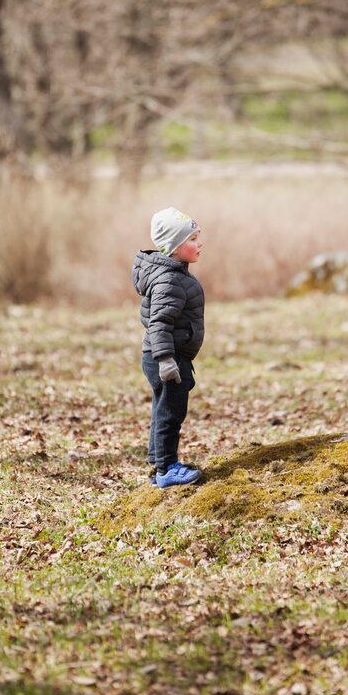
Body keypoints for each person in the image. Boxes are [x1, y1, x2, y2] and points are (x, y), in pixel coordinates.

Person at [132, 207, 205, 489]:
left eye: (198, 237)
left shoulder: (173, 274)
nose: (200, 244)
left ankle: (157, 464)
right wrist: (165, 360)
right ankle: (167, 469)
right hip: (166, 357)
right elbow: (159, 323)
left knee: (162, 409)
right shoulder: (170, 280)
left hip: (166, 355)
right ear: (174, 247)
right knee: (170, 414)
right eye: (193, 239)